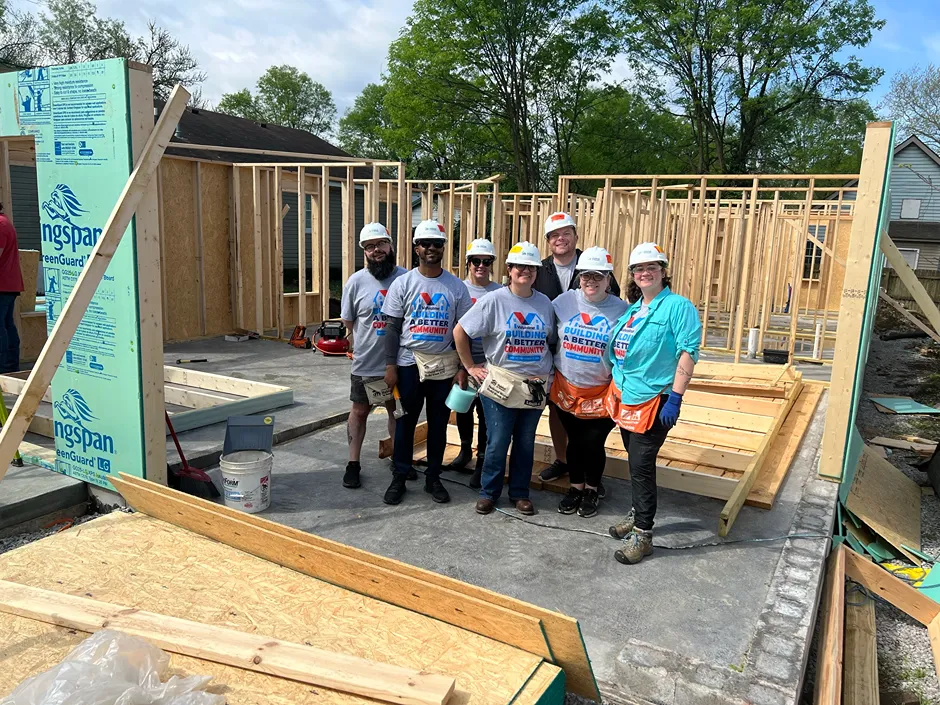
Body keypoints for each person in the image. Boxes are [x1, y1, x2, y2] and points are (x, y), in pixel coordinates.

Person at [605, 242, 701, 565]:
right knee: (635, 463)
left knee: (642, 464)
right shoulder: (634, 310)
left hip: (655, 400)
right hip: (627, 398)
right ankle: (636, 513)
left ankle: (643, 535)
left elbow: (688, 352)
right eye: (638, 269)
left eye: (652, 267)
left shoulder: (678, 307)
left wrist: (675, 397)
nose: (645, 273)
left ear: (663, 271)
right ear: (632, 275)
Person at [454, 242, 555, 516]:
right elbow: (460, 331)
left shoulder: (544, 303)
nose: (526, 271)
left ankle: (520, 493)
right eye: (519, 266)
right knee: (498, 440)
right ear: (509, 269)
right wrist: (470, 366)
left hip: (533, 385)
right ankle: (489, 492)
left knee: (525, 441)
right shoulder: (494, 300)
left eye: (531, 267)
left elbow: (551, 342)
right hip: (500, 383)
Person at [382, 219, 472, 506]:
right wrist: (390, 366)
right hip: (409, 364)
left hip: (443, 366)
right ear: (416, 247)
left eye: (437, 244)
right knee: (406, 422)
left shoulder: (456, 287)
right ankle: (400, 475)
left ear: (444, 248)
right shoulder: (404, 283)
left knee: (437, 423)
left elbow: (463, 330)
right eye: (425, 244)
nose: (431, 248)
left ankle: (433, 477)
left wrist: (461, 368)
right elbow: (392, 328)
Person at [533, 211, 621, 489]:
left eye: (566, 233)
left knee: (590, 430)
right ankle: (563, 461)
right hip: (554, 359)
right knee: (558, 414)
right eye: (554, 235)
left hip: (592, 362)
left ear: (575, 236)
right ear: (548, 241)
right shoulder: (539, 269)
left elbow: (613, 310)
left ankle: (587, 473)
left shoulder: (591, 262)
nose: (561, 239)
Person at [550, 247, 628, 518]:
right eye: (585, 276)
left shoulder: (622, 310)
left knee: (593, 442)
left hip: (602, 390)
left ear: (609, 279)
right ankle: (576, 487)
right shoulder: (563, 303)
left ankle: (592, 489)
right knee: (574, 441)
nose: (591, 281)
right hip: (567, 388)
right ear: (578, 277)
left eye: (598, 276)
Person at [340, 222, 407, 489]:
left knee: (397, 412)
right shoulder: (356, 282)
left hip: (400, 363)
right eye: (369, 246)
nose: (376, 250)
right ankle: (353, 464)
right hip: (366, 363)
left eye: (380, 244)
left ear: (391, 246)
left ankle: (398, 460)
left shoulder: (406, 278)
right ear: (364, 252)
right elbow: (349, 321)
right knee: (359, 411)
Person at [445, 238, 501, 487]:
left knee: (486, 414)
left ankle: (481, 461)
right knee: (463, 409)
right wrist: (461, 365)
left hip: (490, 363)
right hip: (464, 361)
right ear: (468, 263)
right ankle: (465, 450)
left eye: (486, 261)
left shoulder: (499, 292)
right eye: (476, 261)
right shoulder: (459, 290)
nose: (481, 265)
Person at [0, 204, 23, 374]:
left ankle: (5, 366)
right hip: (8, 284)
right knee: (7, 324)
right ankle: (10, 366)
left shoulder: (0, 225)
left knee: (2, 326)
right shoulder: (4, 223)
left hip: (3, 285)